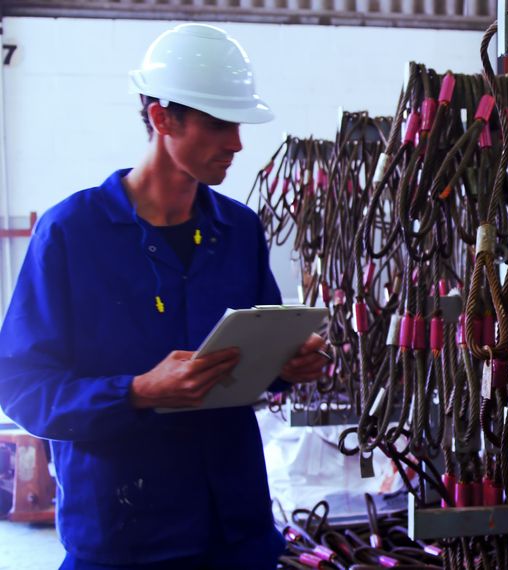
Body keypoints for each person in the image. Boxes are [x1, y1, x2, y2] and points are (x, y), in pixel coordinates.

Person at [0, 24, 324, 568]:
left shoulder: (239, 232)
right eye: (218, 123)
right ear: (161, 117)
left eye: (238, 122)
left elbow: (255, 363)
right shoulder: (72, 235)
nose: (237, 142)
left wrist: (290, 364)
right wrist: (136, 392)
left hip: (236, 531)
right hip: (126, 535)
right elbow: (23, 387)